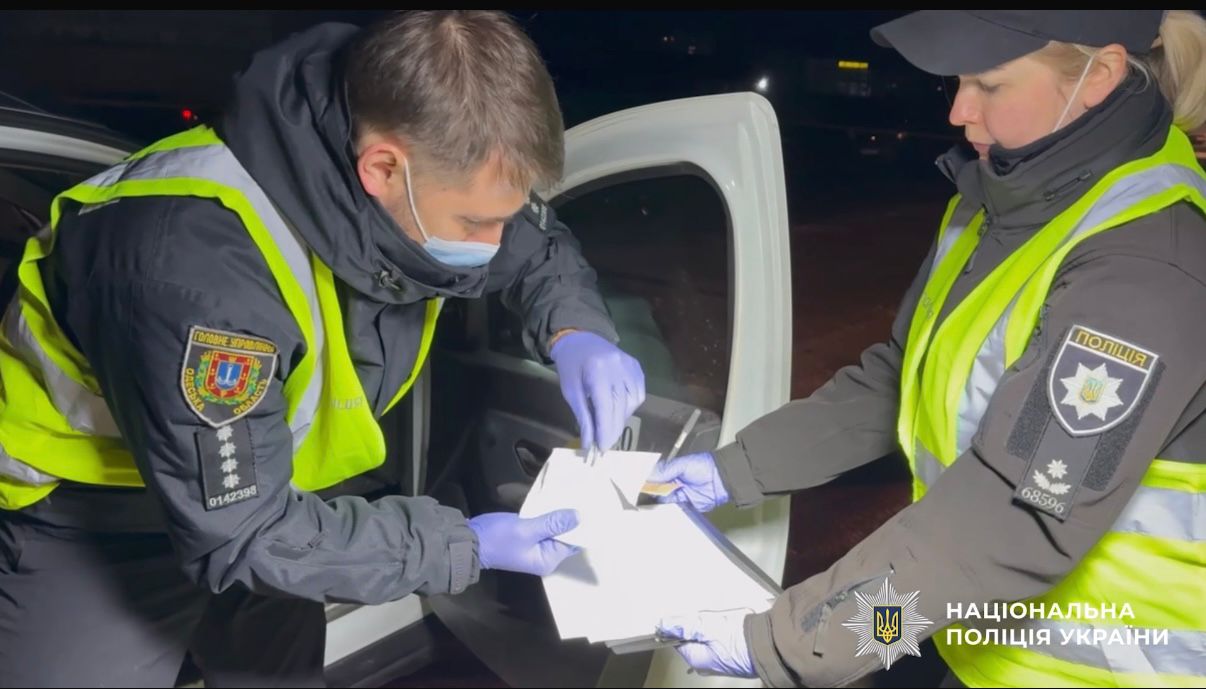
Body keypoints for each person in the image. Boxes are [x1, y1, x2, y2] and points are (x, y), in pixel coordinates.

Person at [0, 10, 646, 687]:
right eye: (473, 223)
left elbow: (535, 248)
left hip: (275, 498)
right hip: (98, 519)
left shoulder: (425, 170)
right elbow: (246, 535)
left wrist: (577, 331)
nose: (492, 246)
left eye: (501, 220)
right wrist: (463, 544)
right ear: (383, 168)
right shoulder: (197, 269)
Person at [653, 10, 1206, 687]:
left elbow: (1013, 523)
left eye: (989, 84)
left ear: (1101, 75)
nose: (959, 111)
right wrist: (734, 470)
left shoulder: (1145, 268)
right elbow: (899, 376)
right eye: (958, 81)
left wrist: (796, 643)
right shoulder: (998, 201)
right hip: (974, 634)